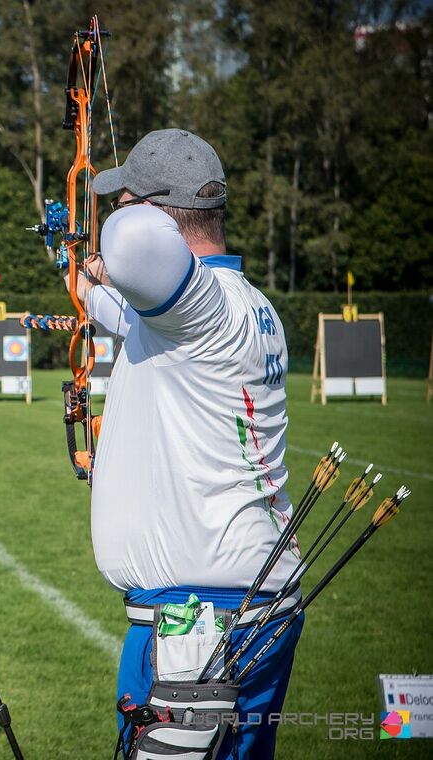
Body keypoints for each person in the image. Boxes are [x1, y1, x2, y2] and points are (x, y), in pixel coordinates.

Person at [72, 129, 303, 758]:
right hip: (246, 603)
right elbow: (130, 320)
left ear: (154, 215)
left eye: (125, 202)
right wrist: (86, 287)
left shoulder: (204, 307)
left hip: (198, 623)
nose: (115, 215)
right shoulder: (241, 305)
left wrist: (119, 238)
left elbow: (132, 244)